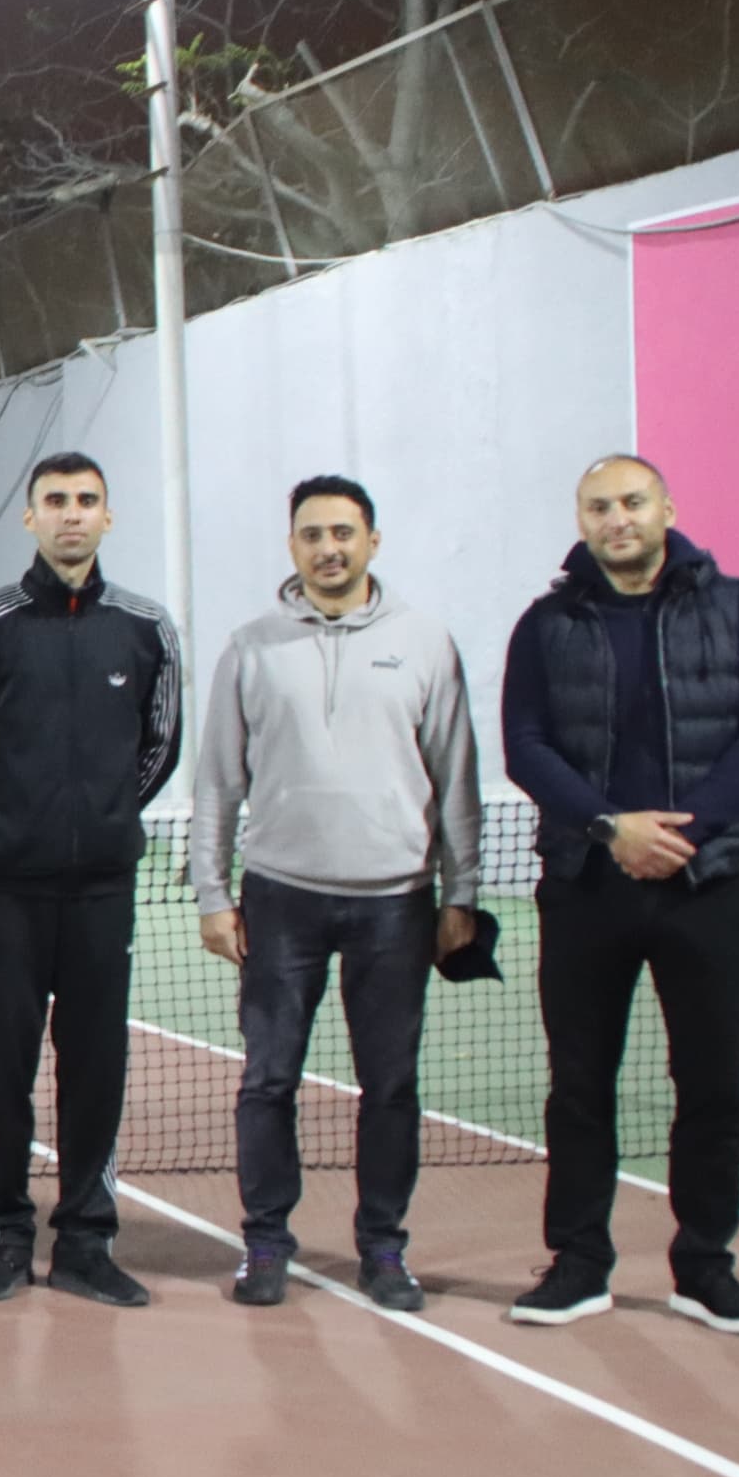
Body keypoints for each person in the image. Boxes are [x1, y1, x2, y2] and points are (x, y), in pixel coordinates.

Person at [499, 455, 739, 1335]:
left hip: (709, 889)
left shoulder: (738, 608)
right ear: (582, 521)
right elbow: (525, 745)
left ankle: (704, 1268)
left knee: (711, 1087)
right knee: (579, 1087)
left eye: (632, 501)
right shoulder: (546, 624)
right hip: (586, 887)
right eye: (599, 506)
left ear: (667, 507)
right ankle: (579, 1265)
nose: (617, 518)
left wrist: (682, 835)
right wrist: (611, 830)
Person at [189, 475, 482, 1310]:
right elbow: (218, 782)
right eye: (313, 534)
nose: (329, 548)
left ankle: (384, 1249)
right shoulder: (251, 647)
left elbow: (456, 775)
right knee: (267, 1082)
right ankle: (265, 1244)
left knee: (390, 1087)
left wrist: (461, 892)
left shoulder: (425, 642)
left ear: (372, 542)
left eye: (344, 533)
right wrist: (213, 891)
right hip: (281, 901)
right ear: (293, 546)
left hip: (397, 904)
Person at [0, 452, 184, 1309]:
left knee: (96, 1065)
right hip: (5, 889)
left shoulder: (146, 628)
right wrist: (10, 822)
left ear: (107, 516)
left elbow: (158, 747)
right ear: (30, 517)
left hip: (103, 891)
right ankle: (4, 1235)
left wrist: (104, 815)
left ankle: (86, 1239)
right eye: (55, 500)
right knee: (3, 1070)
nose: (71, 514)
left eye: (86, 501)